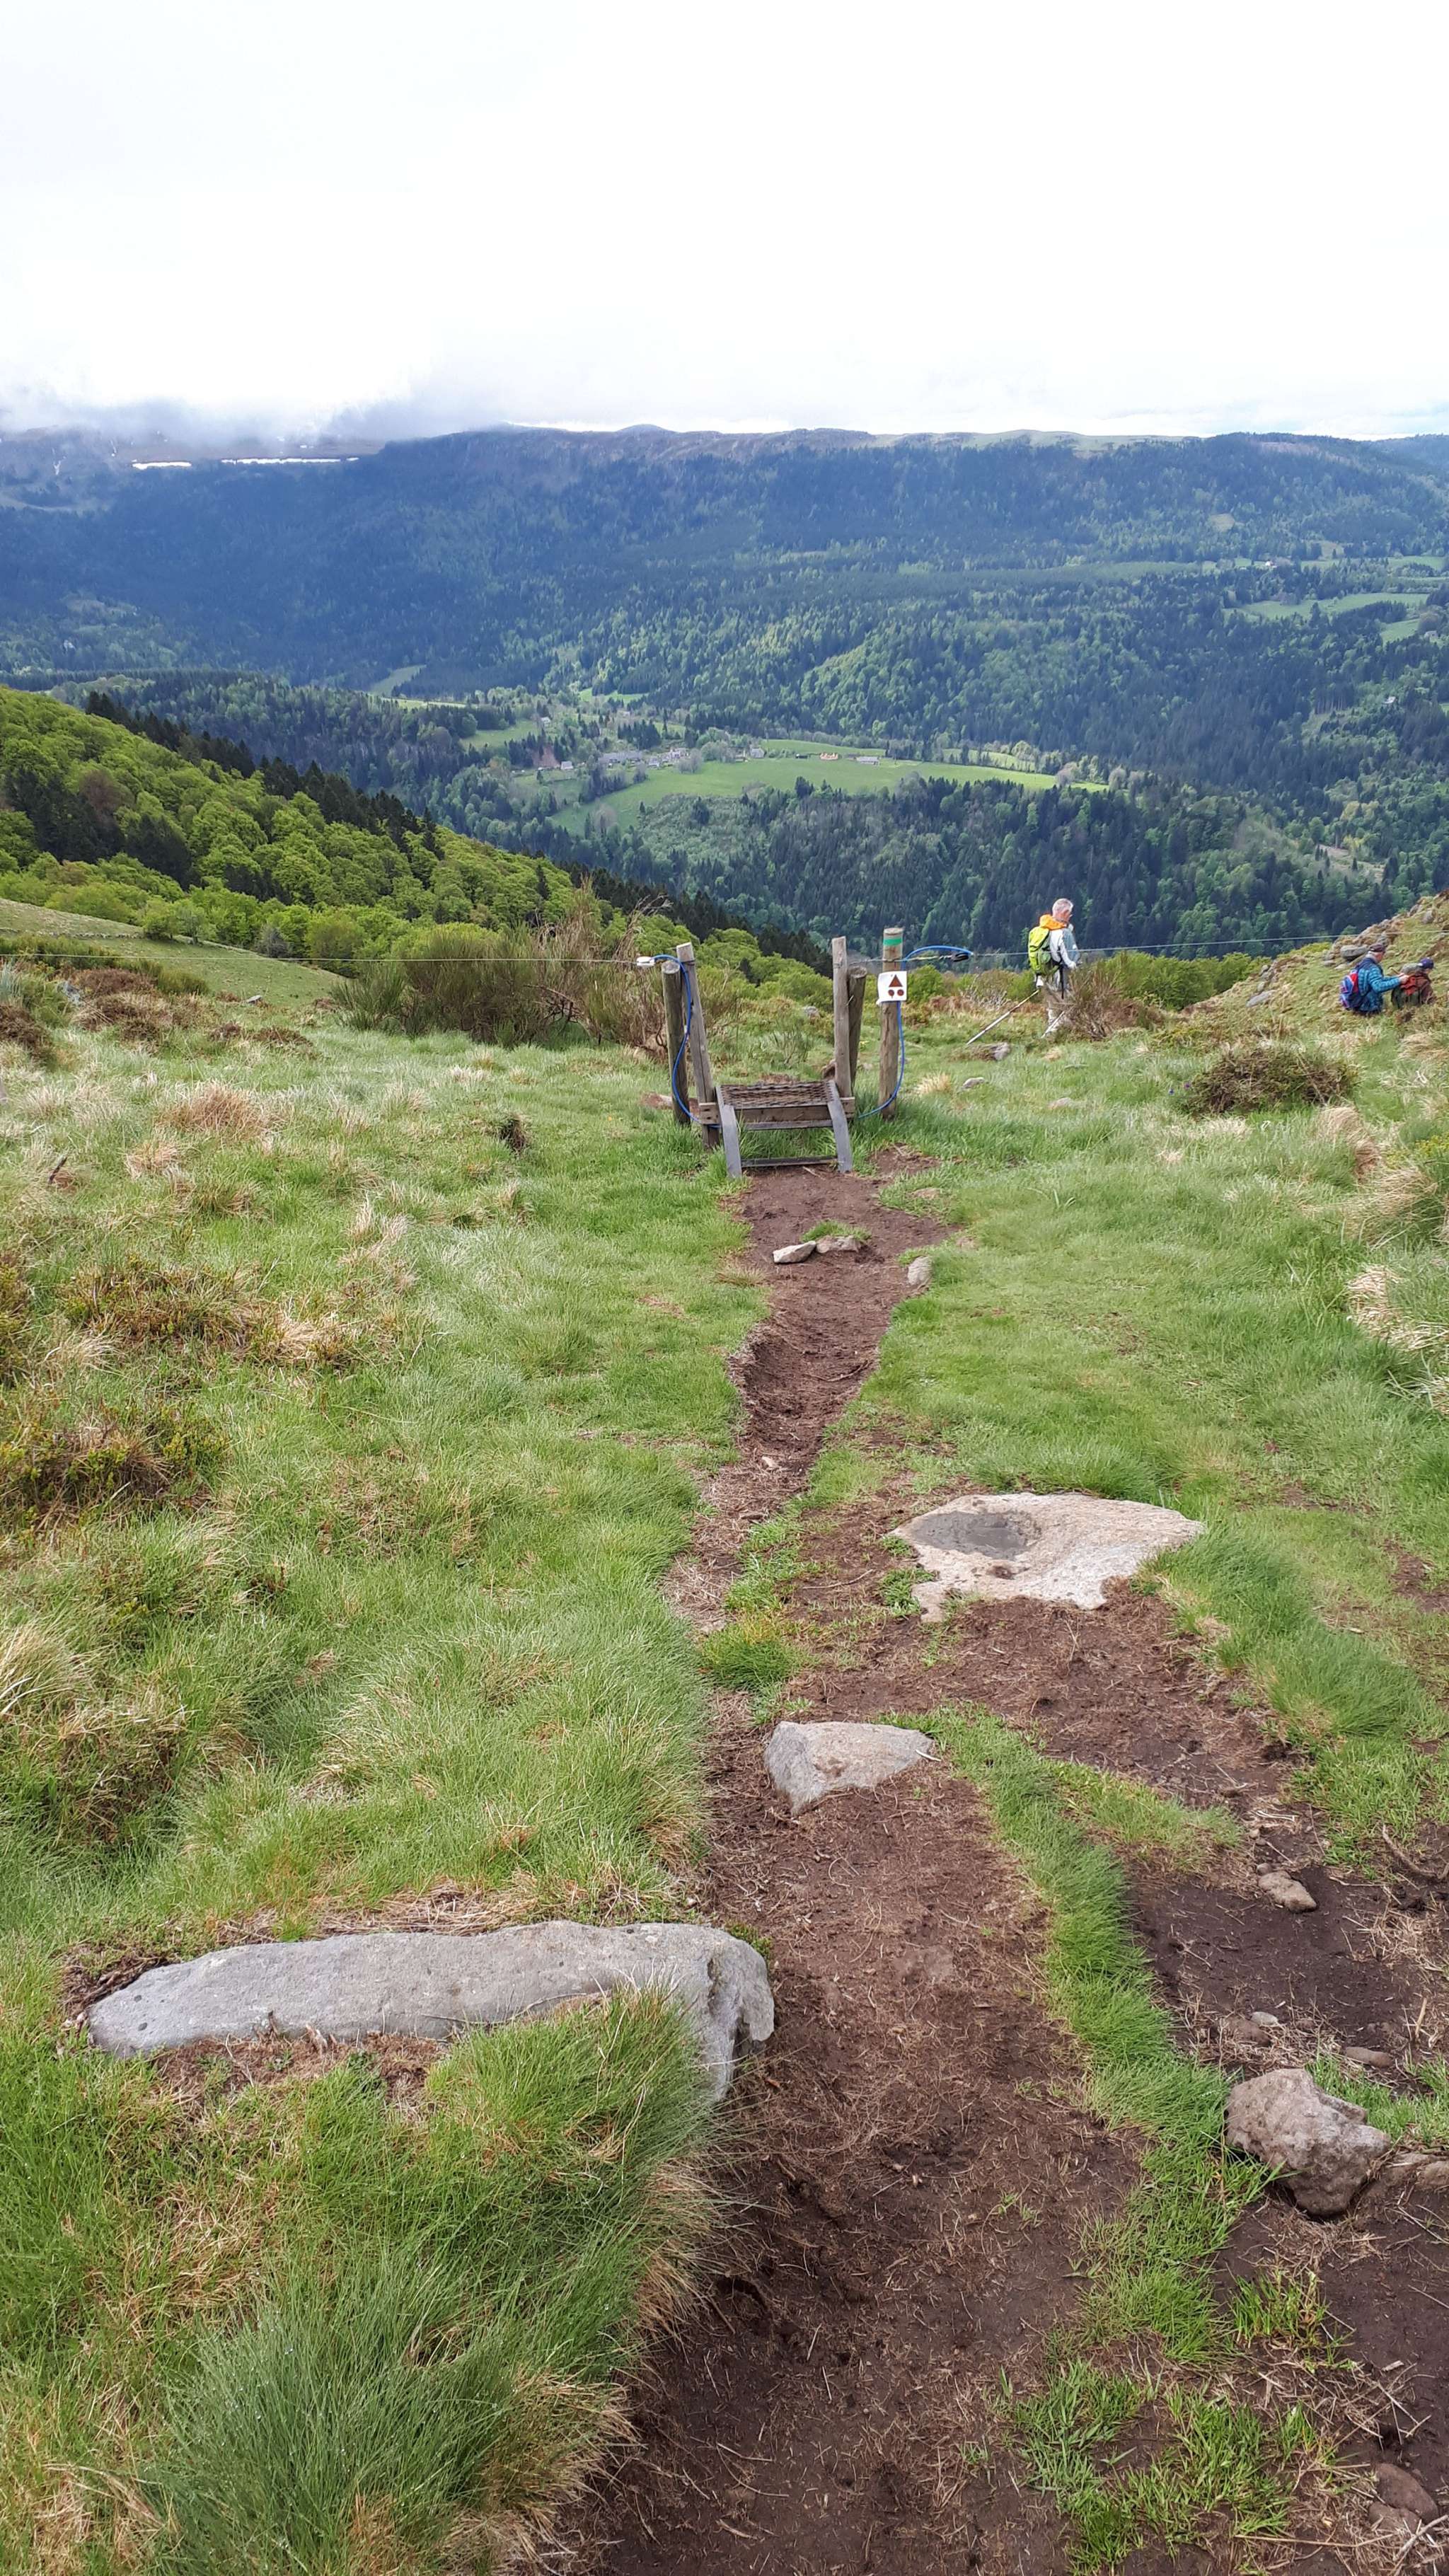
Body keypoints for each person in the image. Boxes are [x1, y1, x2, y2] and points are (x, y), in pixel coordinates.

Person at [1028, 898, 1080, 1024]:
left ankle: (1051, 1035)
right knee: (1069, 1012)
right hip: (1060, 982)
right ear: (1065, 913)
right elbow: (1073, 960)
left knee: (1053, 1012)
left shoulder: (1039, 931)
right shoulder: (1064, 933)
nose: (1070, 917)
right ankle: (1057, 1034)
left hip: (1042, 979)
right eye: (1070, 914)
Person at [1341, 937, 1409, 1015]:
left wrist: (1397, 978)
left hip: (1358, 1003)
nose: (1383, 957)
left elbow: (1377, 980)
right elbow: (1378, 986)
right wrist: (1399, 981)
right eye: (1383, 955)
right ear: (1379, 955)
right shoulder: (1373, 968)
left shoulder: (1362, 964)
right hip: (1367, 1007)